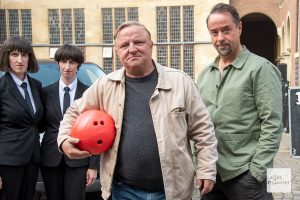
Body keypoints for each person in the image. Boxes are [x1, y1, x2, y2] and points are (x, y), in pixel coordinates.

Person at [57, 21, 218, 200]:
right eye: (124, 45)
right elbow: (74, 111)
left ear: (151, 45)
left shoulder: (180, 82)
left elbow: (203, 131)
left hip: (172, 191)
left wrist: (206, 169)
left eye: (138, 42)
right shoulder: (106, 85)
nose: (132, 49)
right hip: (123, 190)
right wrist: (63, 140)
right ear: (117, 51)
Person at [196, 3, 283, 200]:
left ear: (239, 28)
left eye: (226, 30)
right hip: (212, 175)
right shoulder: (204, 75)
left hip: (245, 175)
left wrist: (257, 172)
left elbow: (272, 123)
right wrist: (200, 163)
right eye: (214, 32)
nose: (220, 38)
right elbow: (199, 123)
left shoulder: (261, 69)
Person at [40, 44, 99, 200]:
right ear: (58, 63)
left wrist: (93, 166)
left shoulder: (89, 93)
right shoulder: (45, 92)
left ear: (78, 65)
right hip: (50, 159)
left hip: (79, 159)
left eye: (72, 62)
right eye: (63, 61)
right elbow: (39, 125)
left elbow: (97, 132)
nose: (67, 67)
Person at [0, 36, 44, 200]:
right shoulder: (1, 87)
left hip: (32, 158)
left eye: (24, 55)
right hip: (8, 160)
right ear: (6, 57)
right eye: (14, 54)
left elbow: (37, 123)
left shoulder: (36, 86)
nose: (20, 60)